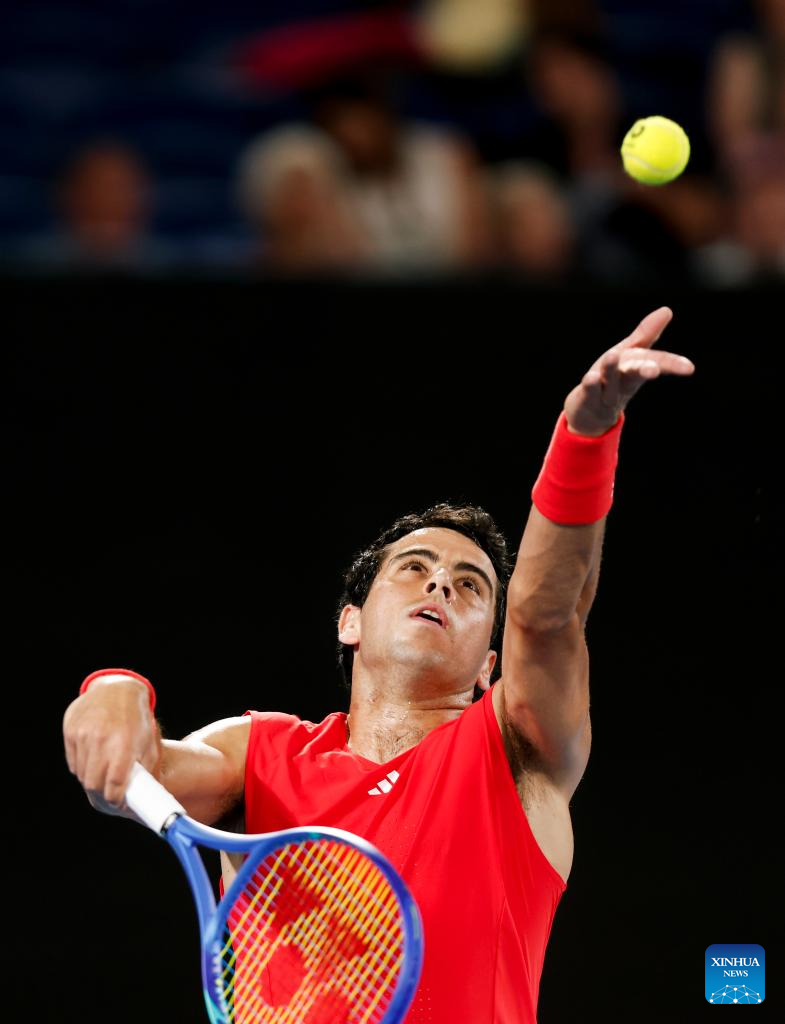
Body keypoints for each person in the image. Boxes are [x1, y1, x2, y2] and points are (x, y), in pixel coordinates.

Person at [63, 306, 694, 1023]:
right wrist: (116, 690)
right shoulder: (262, 754)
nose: (441, 583)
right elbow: (132, 774)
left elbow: (547, 616)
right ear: (350, 622)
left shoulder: (516, 754)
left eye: (470, 585)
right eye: (414, 567)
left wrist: (586, 435)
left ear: (489, 665)